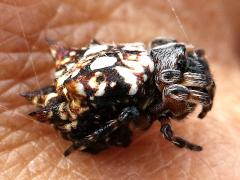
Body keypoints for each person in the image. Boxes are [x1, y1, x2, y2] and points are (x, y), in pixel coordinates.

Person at [0, 0, 239, 179]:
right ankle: (88, 138)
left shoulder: (150, 62)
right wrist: (86, 140)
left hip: (109, 73)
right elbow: (152, 106)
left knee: (134, 108)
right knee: (130, 113)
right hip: (77, 109)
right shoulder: (156, 79)